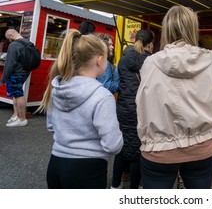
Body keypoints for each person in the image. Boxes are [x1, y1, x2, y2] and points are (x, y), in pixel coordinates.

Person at [136, 5, 212, 189]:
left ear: (166, 28)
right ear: (193, 28)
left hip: (158, 148)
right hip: (202, 145)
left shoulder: (150, 62)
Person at [37, 29, 123, 189]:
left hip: (56, 162)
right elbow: (113, 144)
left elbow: (51, 126)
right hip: (88, 169)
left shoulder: (57, 88)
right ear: (99, 60)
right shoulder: (102, 96)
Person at [111, 29, 154, 189]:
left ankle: (115, 186)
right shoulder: (151, 62)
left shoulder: (124, 59)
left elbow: (118, 83)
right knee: (137, 152)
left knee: (122, 149)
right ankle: (134, 189)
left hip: (123, 109)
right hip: (142, 110)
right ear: (150, 44)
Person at [1, 29, 30, 127]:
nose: (9, 40)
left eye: (8, 38)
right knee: (15, 93)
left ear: (10, 35)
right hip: (25, 72)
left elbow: (9, 64)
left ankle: (22, 119)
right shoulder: (28, 43)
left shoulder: (14, 45)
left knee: (18, 94)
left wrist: (3, 78)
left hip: (16, 73)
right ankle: (15, 115)